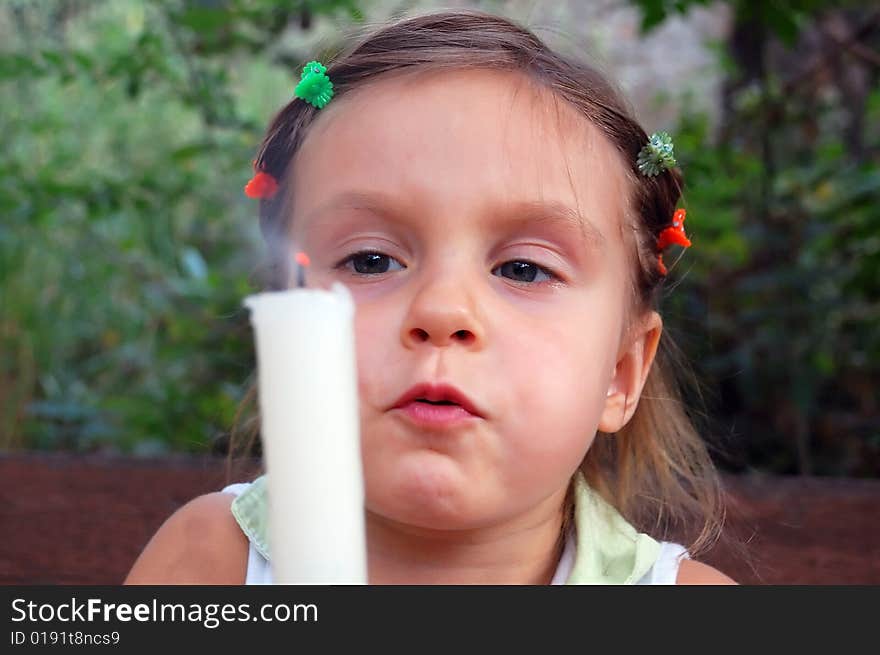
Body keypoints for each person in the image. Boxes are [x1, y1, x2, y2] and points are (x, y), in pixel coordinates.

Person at [125, 9, 737, 585]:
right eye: (371, 260)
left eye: (524, 269)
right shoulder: (207, 565)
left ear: (622, 373)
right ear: (291, 326)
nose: (442, 311)